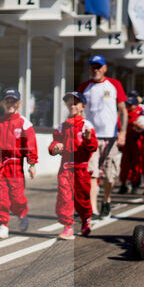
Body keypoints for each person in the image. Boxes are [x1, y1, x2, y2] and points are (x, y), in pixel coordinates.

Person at [0, 87, 38, 239]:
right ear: (3, 103)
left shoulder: (24, 123)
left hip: (16, 163)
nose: (10, 104)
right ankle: (3, 225)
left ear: (19, 103)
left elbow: (31, 145)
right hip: (1, 163)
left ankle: (22, 214)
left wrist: (31, 164)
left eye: (13, 101)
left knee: (17, 196)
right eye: (7, 101)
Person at [78, 55, 127, 219]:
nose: (96, 69)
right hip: (91, 137)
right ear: (89, 68)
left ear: (105, 68)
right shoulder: (84, 87)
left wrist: (123, 132)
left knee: (109, 175)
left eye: (99, 66)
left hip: (111, 137)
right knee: (92, 173)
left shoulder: (114, 85)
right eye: (93, 66)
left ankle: (106, 200)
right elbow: (78, 111)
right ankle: (93, 208)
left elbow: (123, 110)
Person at [49, 91, 98, 240]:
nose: (72, 105)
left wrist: (88, 139)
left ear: (83, 106)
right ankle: (67, 227)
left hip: (81, 168)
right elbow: (54, 144)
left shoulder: (86, 125)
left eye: (75, 102)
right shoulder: (62, 126)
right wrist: (55, 148)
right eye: (69, 102)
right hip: (66, 168)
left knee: (82, 198)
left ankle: (86, 219)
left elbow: (93, 147)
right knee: (64, 197)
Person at [118, 95, 144, 194]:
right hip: (126, 141)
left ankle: (135, 184)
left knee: (136, 164)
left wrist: (138, 126)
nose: (129, 106)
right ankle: (123, 184)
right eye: (128, 104)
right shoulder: (123, 113)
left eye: (131, 105)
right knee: (124, 164)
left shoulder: (141, 112)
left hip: (137, 141)